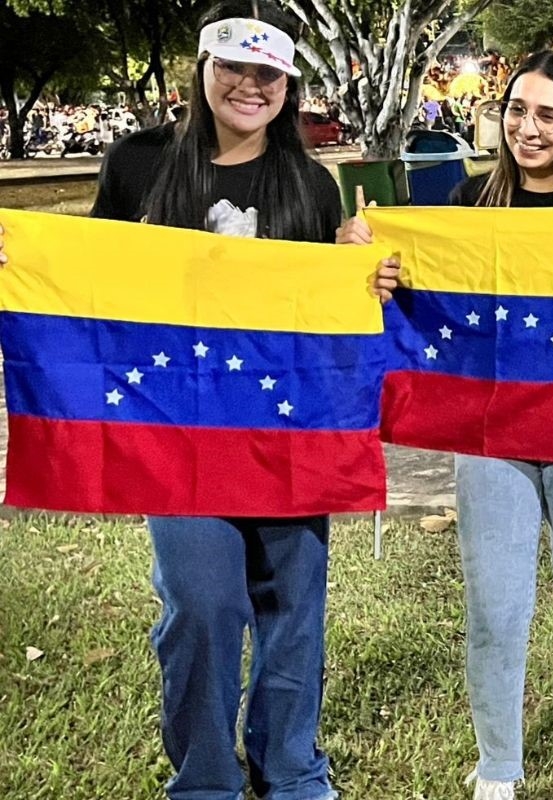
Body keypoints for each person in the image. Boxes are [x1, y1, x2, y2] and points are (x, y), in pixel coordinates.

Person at [0, 2, 350, 798]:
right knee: (202, 606)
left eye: (269, 73)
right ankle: (204, 780)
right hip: (176, 434)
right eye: (234, 66)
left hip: (288, 428)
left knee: (294, 609)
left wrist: (363, 272)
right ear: (202, 68)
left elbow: (334, 316)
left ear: (288, 85)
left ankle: (293, 771)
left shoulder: (308, 182)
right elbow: (90, 278)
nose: (250, 86)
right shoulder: (138, 164)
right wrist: (22, 262)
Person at [337, 51, 553, 800]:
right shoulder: (465, 207)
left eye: (547, 115)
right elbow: (395, 293)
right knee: (496, 603)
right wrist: (367, 267)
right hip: (489, 434)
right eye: (516, 110)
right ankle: (497, 763)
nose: (527, 129)